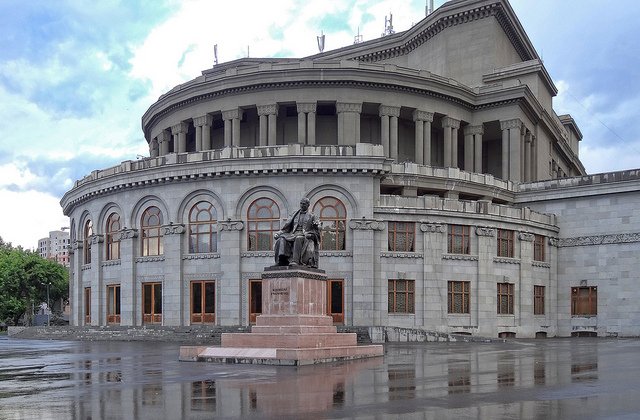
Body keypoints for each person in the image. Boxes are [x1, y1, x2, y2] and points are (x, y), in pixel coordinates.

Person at [273, 197, 321, 268]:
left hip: (305, 235)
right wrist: (278, 233)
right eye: (301, 203)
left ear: (308, 205)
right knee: (281, 239)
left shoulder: (312, 216)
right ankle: (280, 260)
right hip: (293, 234)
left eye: (304, 204)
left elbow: (319, 227)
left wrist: (316, 226)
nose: (302, 205)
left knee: (298, 238)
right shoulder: (294, 214)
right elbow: (286, 228)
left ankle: (295, 260)